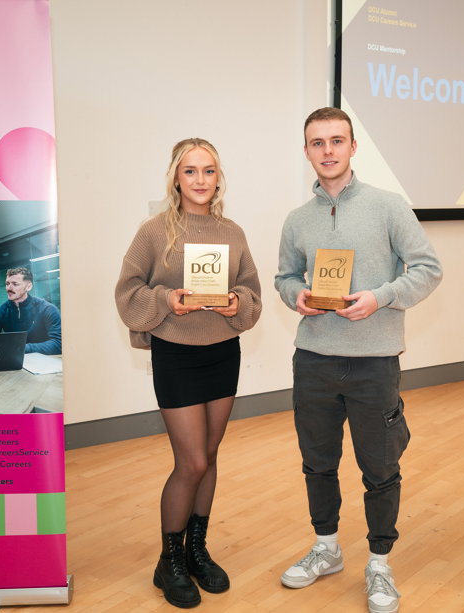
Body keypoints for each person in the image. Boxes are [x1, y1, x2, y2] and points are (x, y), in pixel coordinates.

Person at [274, 108, 443, 613]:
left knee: (380, 467)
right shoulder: (296, 220)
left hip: (373, 363)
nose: (327, 150)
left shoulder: (389, 207)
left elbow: (429, 269)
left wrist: (382, 296)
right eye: (317, 142)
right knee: (317, 464)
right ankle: (326, 549)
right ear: (306, 151)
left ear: (352, 147)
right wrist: (295, 296)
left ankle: (379, 563)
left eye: (337, 140)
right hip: (314, 361)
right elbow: (284, 276)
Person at [115, 138, 262, 608]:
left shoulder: (233, 232)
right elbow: (127, 291)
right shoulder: (155, 231)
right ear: (175, 178)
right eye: (191, 171)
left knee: (211, 455)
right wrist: (166, 300)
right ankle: (169, 560)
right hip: (176, 354)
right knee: (192, 461)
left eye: (209, 170)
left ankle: (197, 551)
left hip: (223, 352)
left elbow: (251, 292)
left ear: (219, 177)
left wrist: (239, 301)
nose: (201, 180)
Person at [0, 267, 62, 355]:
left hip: (43, 361)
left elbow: (58, 344)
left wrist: (21, 348)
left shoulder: (47, 309)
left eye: (15, 284)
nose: (9, 288)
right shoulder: (0, 312)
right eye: (7, 284)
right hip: (13, 360)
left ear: (28, 287)